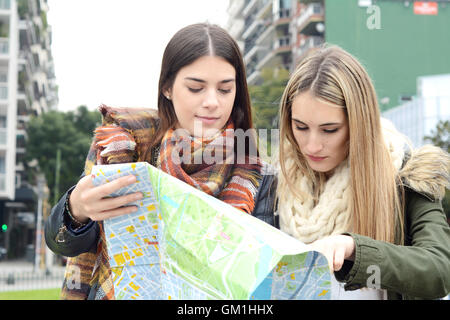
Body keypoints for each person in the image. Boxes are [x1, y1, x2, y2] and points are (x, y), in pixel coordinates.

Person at [45, 23, 277, 300]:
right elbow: (62, 243)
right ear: (167, 87)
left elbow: (262, 278)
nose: (212, 102)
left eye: (225, 89)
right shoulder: (123, 145)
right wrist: (76, 209)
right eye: (196, 88)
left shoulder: (254, 174)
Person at [276, 45, 450, 300]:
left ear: (359, 124)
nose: (311, 145)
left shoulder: (407, 176)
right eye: (300, 126)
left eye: (330, 130)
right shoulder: (274, 180)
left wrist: (353, 248)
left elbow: (439, 271)